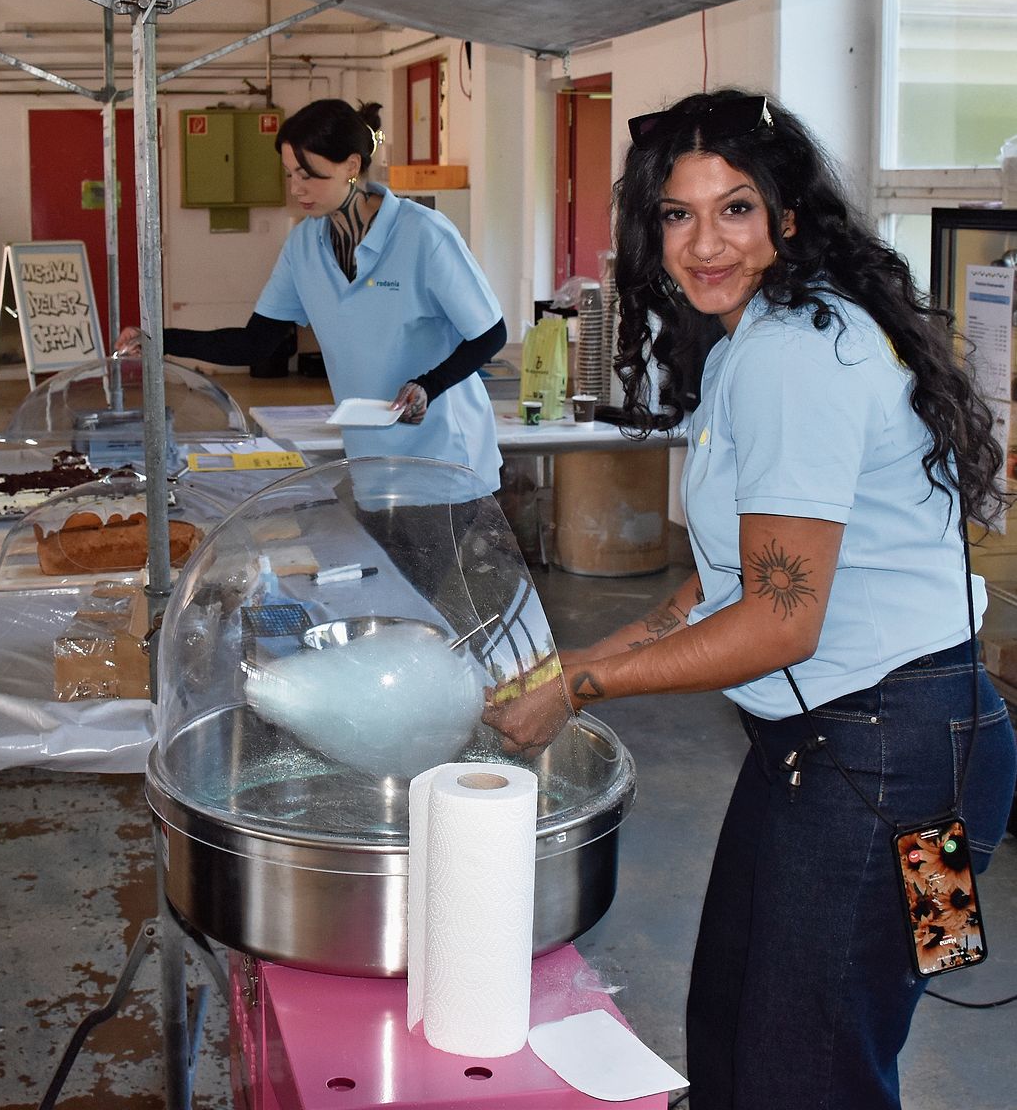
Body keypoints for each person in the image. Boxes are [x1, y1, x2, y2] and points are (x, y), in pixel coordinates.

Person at [485, 88, 1017, 1110]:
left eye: (734, 208)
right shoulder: (770, 335)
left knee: (803, 1073)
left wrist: (579, 687)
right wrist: (597, 648)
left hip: (878, 768)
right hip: (932, 749)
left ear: (785, 213)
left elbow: (780, 620)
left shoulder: (791, 356)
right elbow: (727, 572)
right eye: (678, 214)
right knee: (767, 1032)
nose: (703, 242)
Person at [120, 99, 507, 487]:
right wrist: (158, 341)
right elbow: (254, 344)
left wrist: (428, 385)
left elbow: (490, 333)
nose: (296, 189)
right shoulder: (305, 245)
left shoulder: (423, 234)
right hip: (370, 460)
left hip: (448, 460)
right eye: (289, 174)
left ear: (351, 167)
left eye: (309, 175)